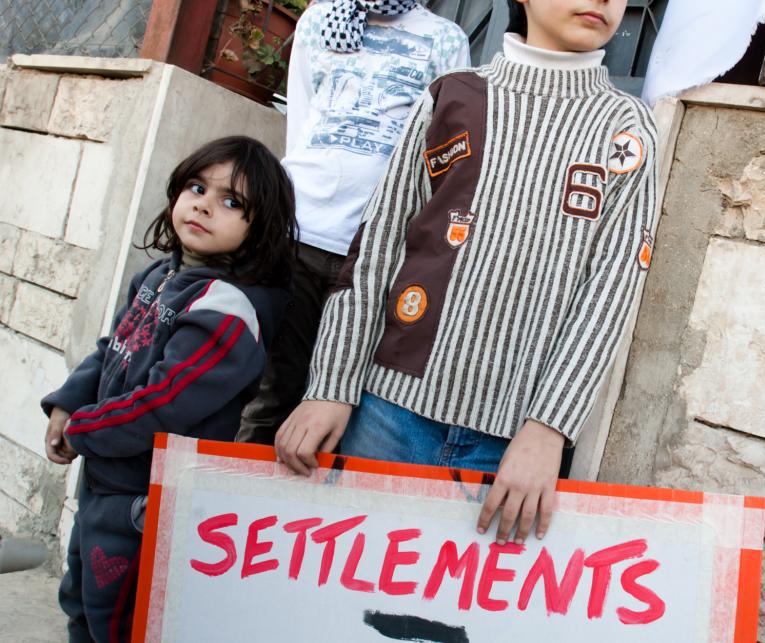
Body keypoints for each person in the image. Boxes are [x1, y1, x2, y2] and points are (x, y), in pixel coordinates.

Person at [277, 0, 658, 547]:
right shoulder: (451, 96)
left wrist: (549, 430)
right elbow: (380, 244)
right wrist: (331, 385)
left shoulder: (627, 127)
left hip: (513, 449)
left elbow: (612, 290)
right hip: (388, 414)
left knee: (450, 628)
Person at [41, 136, 297, 643]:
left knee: (120, 619)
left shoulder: (227, 312)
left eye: (231, 202)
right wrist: (68, 405)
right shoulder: (161, 276)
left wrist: (85, 429)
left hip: (148, 499)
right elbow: (111, 348)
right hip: (105, 480)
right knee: (79, 601)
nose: (203, 204)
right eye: (197, 187)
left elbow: (164, 403)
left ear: (259, 229)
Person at [236, 0, 470, 445]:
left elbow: (438, 146)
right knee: (270, 391)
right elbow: (301, 123)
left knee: (342, 400)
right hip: (296, 236)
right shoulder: (320, 20)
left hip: (374, 253)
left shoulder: (446, 39)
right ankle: (237, 507)